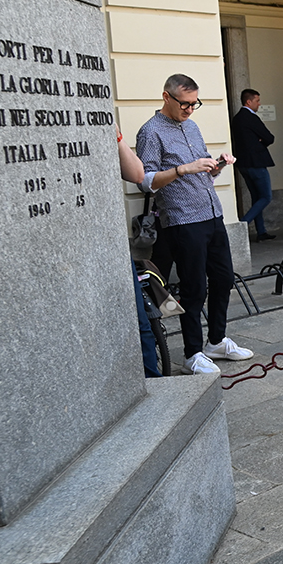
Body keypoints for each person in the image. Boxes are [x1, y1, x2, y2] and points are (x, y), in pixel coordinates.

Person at [136, 74, 253, 375]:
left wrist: (219, 164)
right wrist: (182, 168)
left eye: (194, 104)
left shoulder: (192, 126)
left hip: (211, 212)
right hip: (181, 220)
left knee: (225, 278)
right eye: (185, 104)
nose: (190, 109)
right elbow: (146, 182)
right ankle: (192, 353)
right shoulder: (150, 132)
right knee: (194, 287)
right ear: (166, 97)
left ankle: (216, 340)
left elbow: (203, 174)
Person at [119, 126, 162, 378]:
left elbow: (136, 172)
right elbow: (146, 181)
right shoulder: (151, 131)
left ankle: (155, 382)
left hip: (113, 245)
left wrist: (117, 136)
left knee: (142, 324)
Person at [231, 88, 277, 241]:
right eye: (257, 100)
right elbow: (269, 137)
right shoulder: (251, 118)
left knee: (256, 197)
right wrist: (261, 140)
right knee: (265, 197)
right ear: (248, 102)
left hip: (243, 164)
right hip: (256, 163)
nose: (259, 104)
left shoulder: (237, 118)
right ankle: (242, 226)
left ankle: (261, 231)